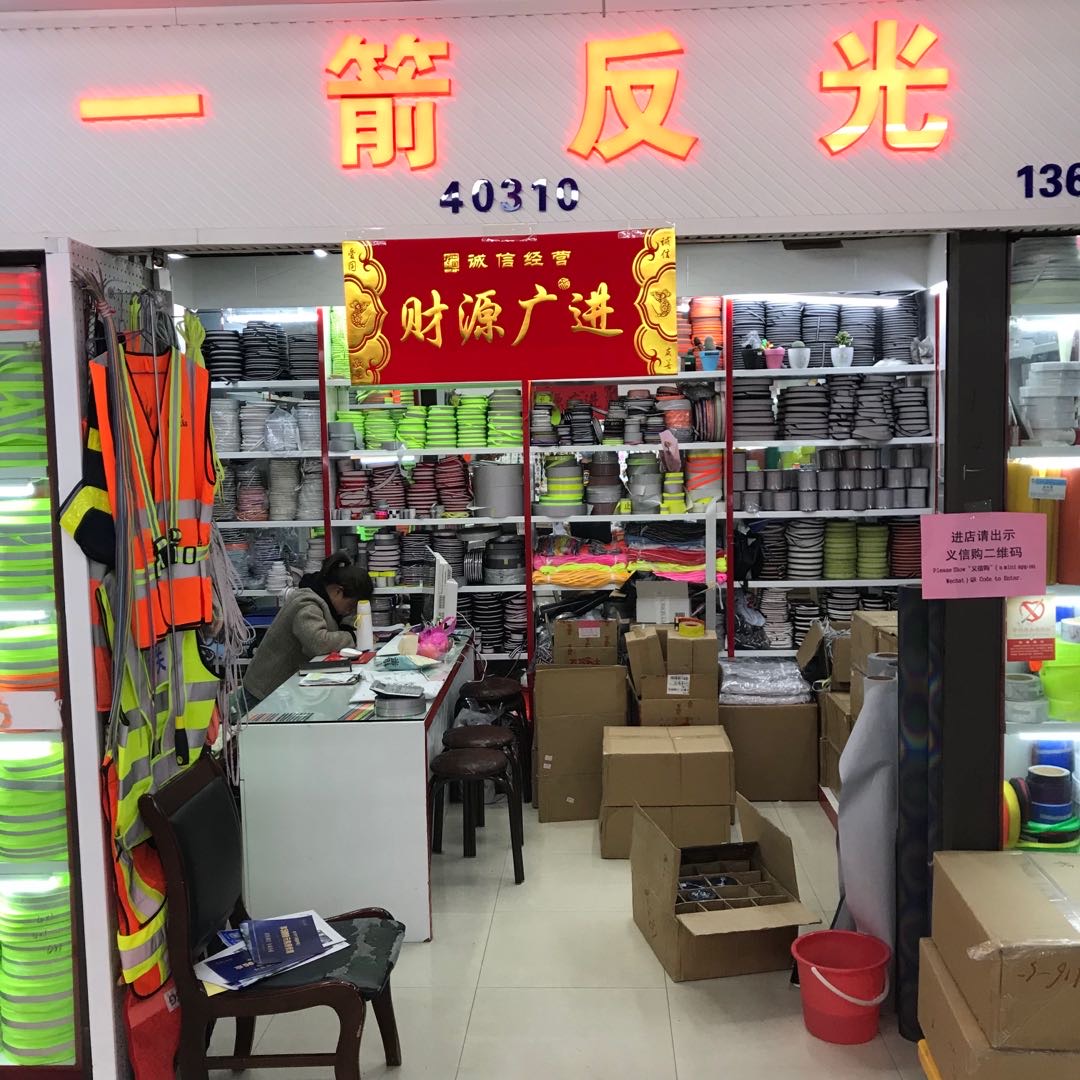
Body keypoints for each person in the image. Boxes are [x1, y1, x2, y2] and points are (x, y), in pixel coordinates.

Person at [242, 551, 373, 706]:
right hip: (263, 691)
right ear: (338, 591)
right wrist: (354, 636)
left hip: (286, 691)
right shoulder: (306, 603)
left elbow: (341, 625)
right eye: (350, 606)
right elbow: (318, 642)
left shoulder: (328, 602)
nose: (350, 612)